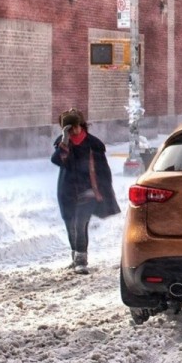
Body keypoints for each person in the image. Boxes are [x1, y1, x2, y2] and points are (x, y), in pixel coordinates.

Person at [50, 108, 119, 273]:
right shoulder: (63, 144)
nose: (73, 130)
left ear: (81, 125)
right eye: (68, 128)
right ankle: (74, 256)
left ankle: (82, 260)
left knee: (80, 224)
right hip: (67, 193)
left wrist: (104, 192)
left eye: (75, 126)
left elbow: (103, 171)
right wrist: (65, 141)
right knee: (70, 225)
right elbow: (56, 160)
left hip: (88, 192)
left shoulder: (93, 144)